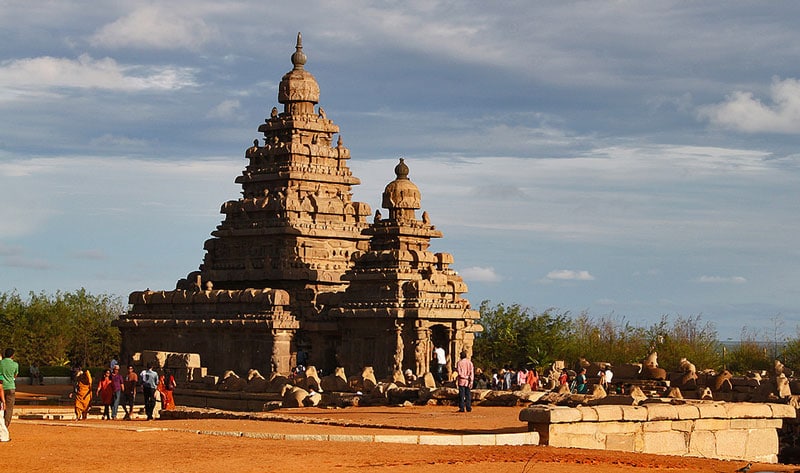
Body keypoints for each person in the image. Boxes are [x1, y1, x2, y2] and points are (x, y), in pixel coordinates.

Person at [0, 348, 19, 427]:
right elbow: (15, 375)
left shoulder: (0, 363)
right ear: (12, 355)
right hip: (11, 387)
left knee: (1, 407)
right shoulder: (15, 364)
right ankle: (6, 426)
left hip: (1, 387)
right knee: (9, 409)